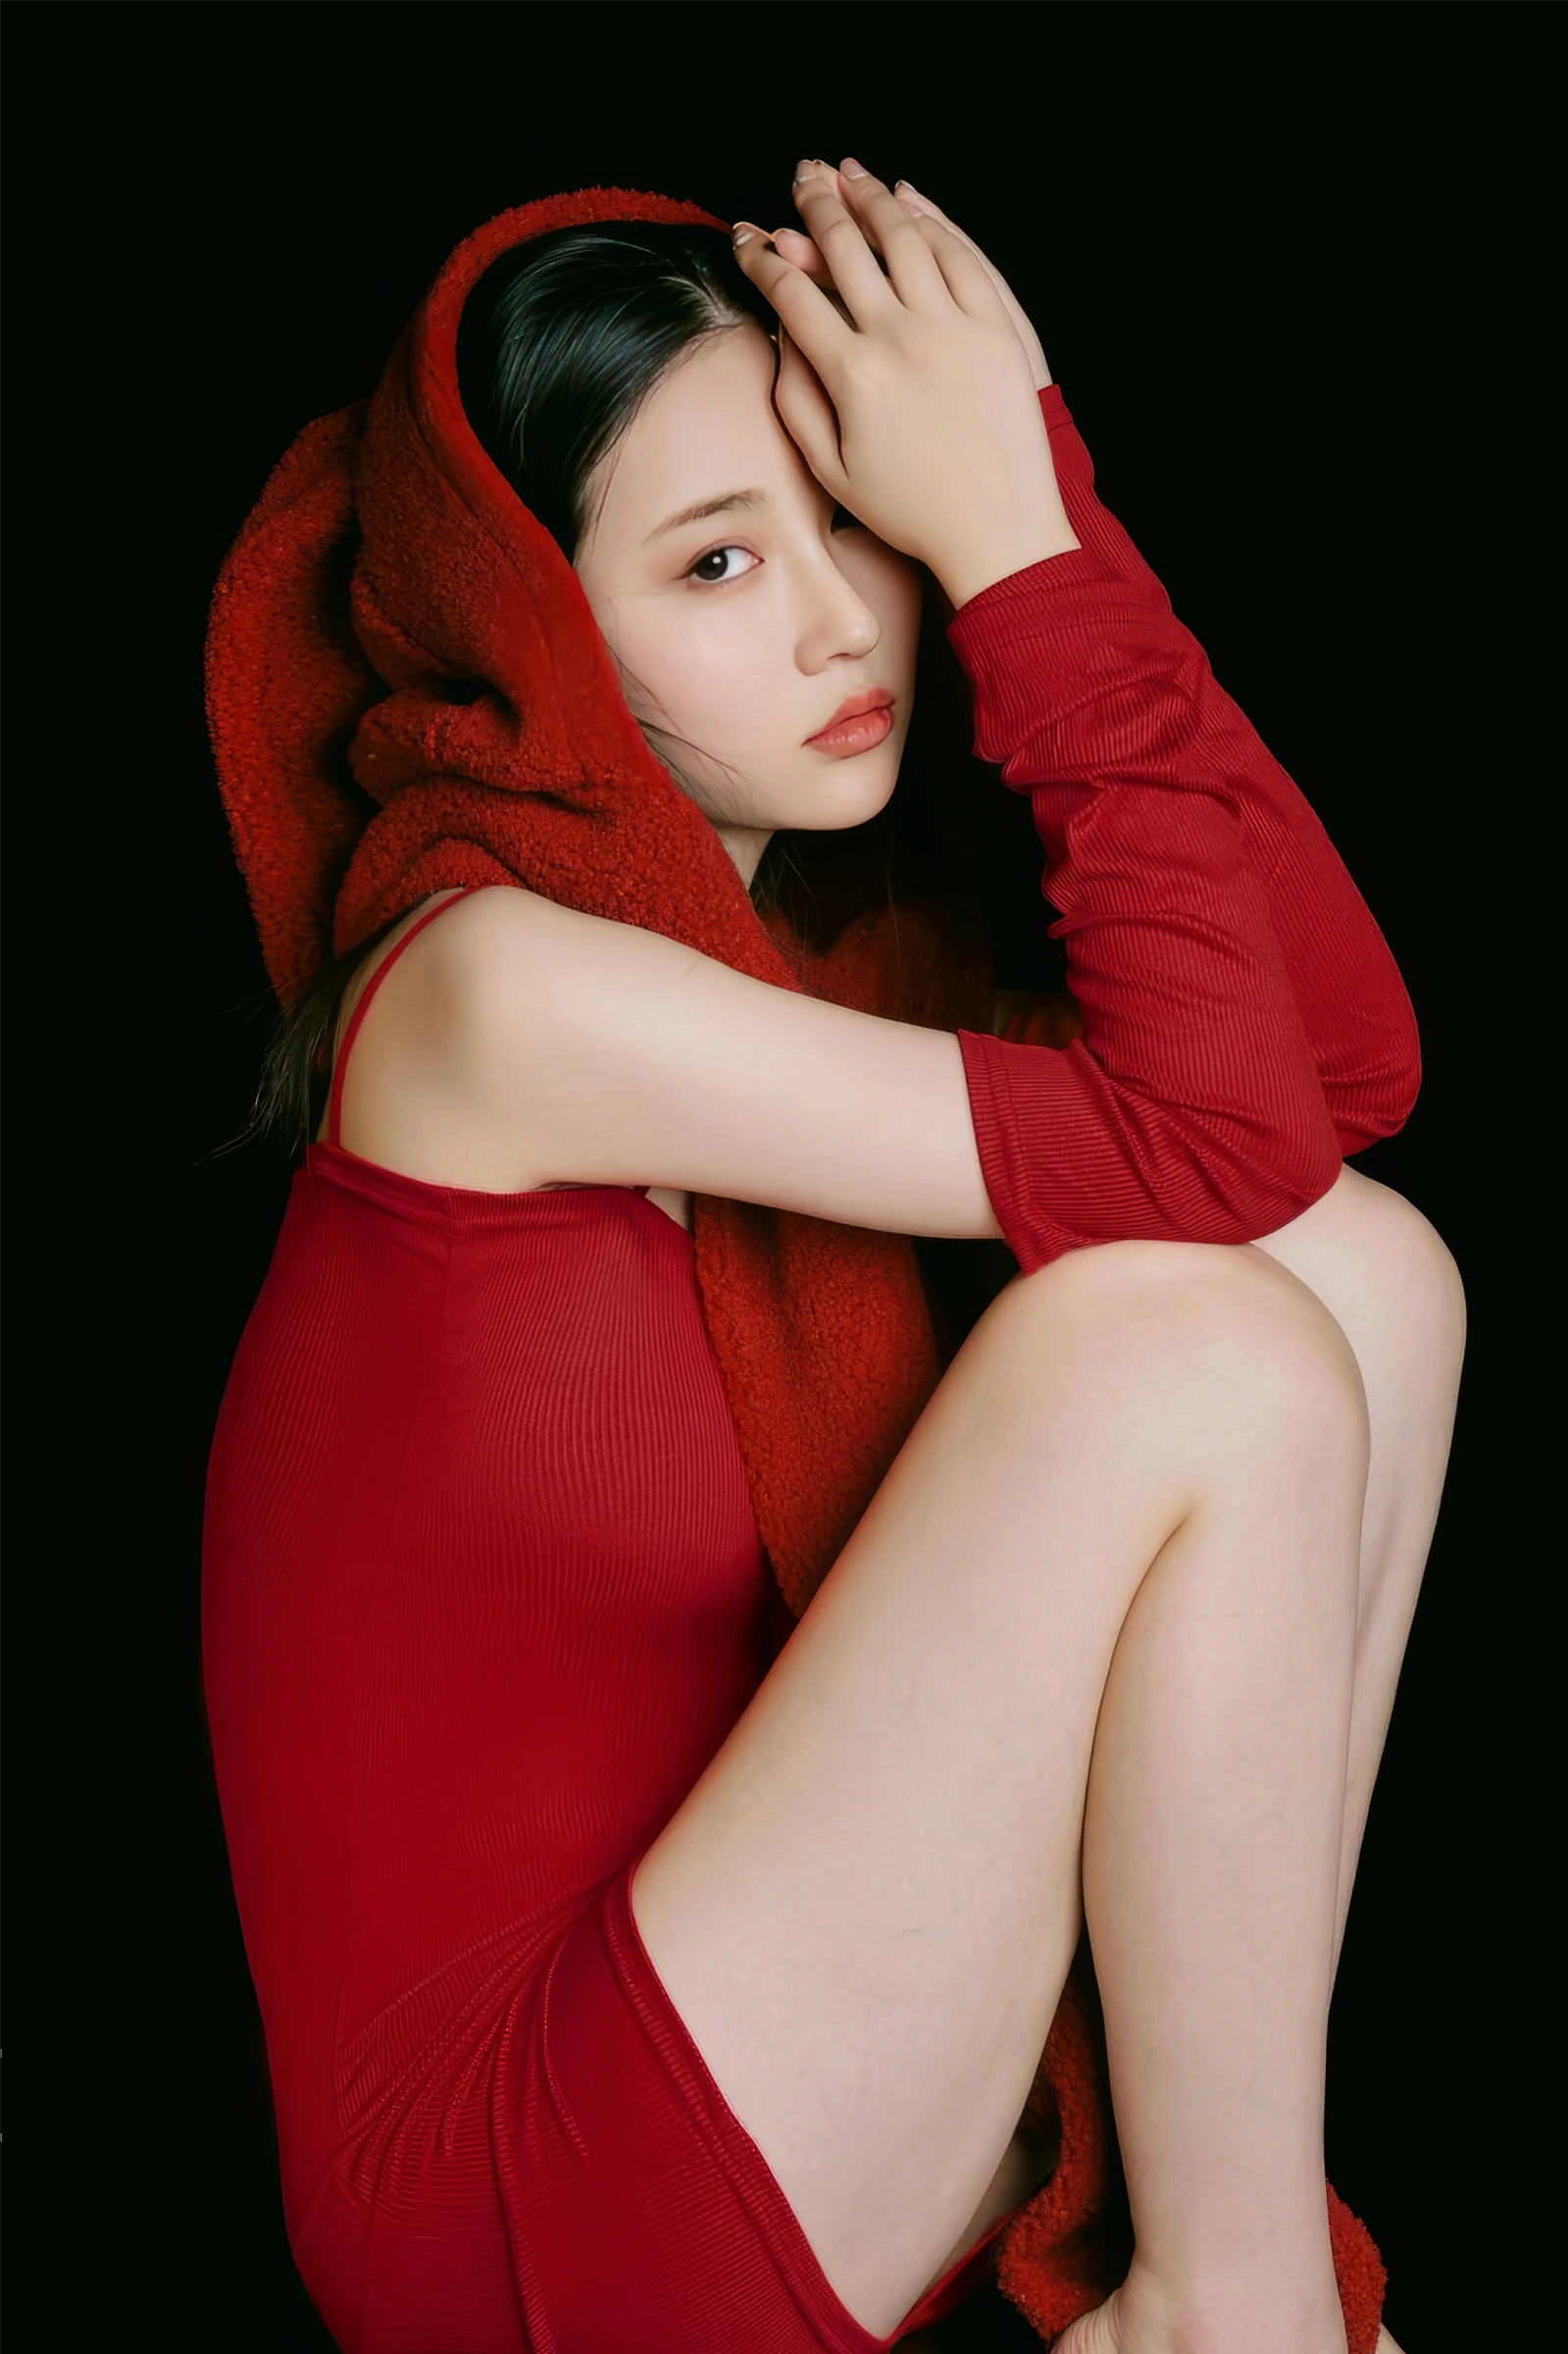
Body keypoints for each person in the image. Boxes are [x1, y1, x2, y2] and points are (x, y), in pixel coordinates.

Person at [201, 159, 1460, 2354]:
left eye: (857, 519)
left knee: (1361, 1276)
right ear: (533, 621)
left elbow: (1328, 1084)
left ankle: (1197, 2247)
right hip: (512, 2207)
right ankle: (1232, 2309)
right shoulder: (495, 991)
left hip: (777, 2050)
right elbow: (1205, 1143)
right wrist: (1015, 566)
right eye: (715, 559)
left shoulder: (818, 955)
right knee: (1182, 1338)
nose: (843, 623)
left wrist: (1035, 517)